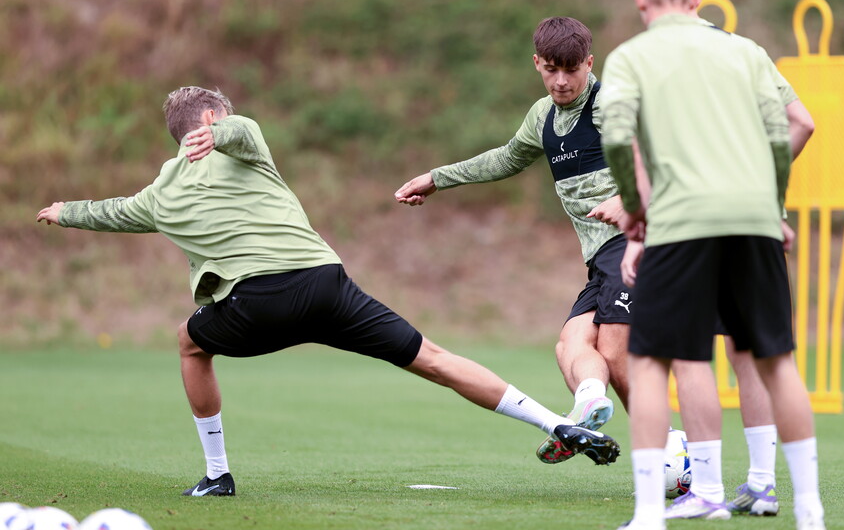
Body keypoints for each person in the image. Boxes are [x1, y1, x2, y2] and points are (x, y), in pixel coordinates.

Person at [35, 86, 621, 498]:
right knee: (435, 359)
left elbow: (114, 210)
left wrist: (66, 211)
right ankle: (556, 424)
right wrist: (221, 129)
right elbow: (231, 136)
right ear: (211, 115)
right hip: (326, 285)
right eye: (217, 121)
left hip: (260, 302)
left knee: (190, 343)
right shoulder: (248, 149)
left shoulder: (179, 178)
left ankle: (217, 475)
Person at [589, 0, 828, 530]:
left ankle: (650, 522)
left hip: (683, 221)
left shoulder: (632, 57)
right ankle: (809, 514)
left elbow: (618, 142)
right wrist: (771, 207)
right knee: (776, 362)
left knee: (650, 363)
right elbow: (787, 129)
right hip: (753, 219)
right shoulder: (744, 50)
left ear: (641, 1)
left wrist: (636, 217)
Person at [395, 16, 673, 464]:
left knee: (618, 353)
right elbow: (506, 158)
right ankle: (588, 404)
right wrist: (437, 178)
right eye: (551, 70)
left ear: (589, 63)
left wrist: (630, 198)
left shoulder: (611, 106)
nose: (561, 82)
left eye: (571, 70)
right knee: (570, 344)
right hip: (602, 255)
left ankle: (674, 456)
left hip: (641, 241)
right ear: (537, 64)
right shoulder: (542, 116)